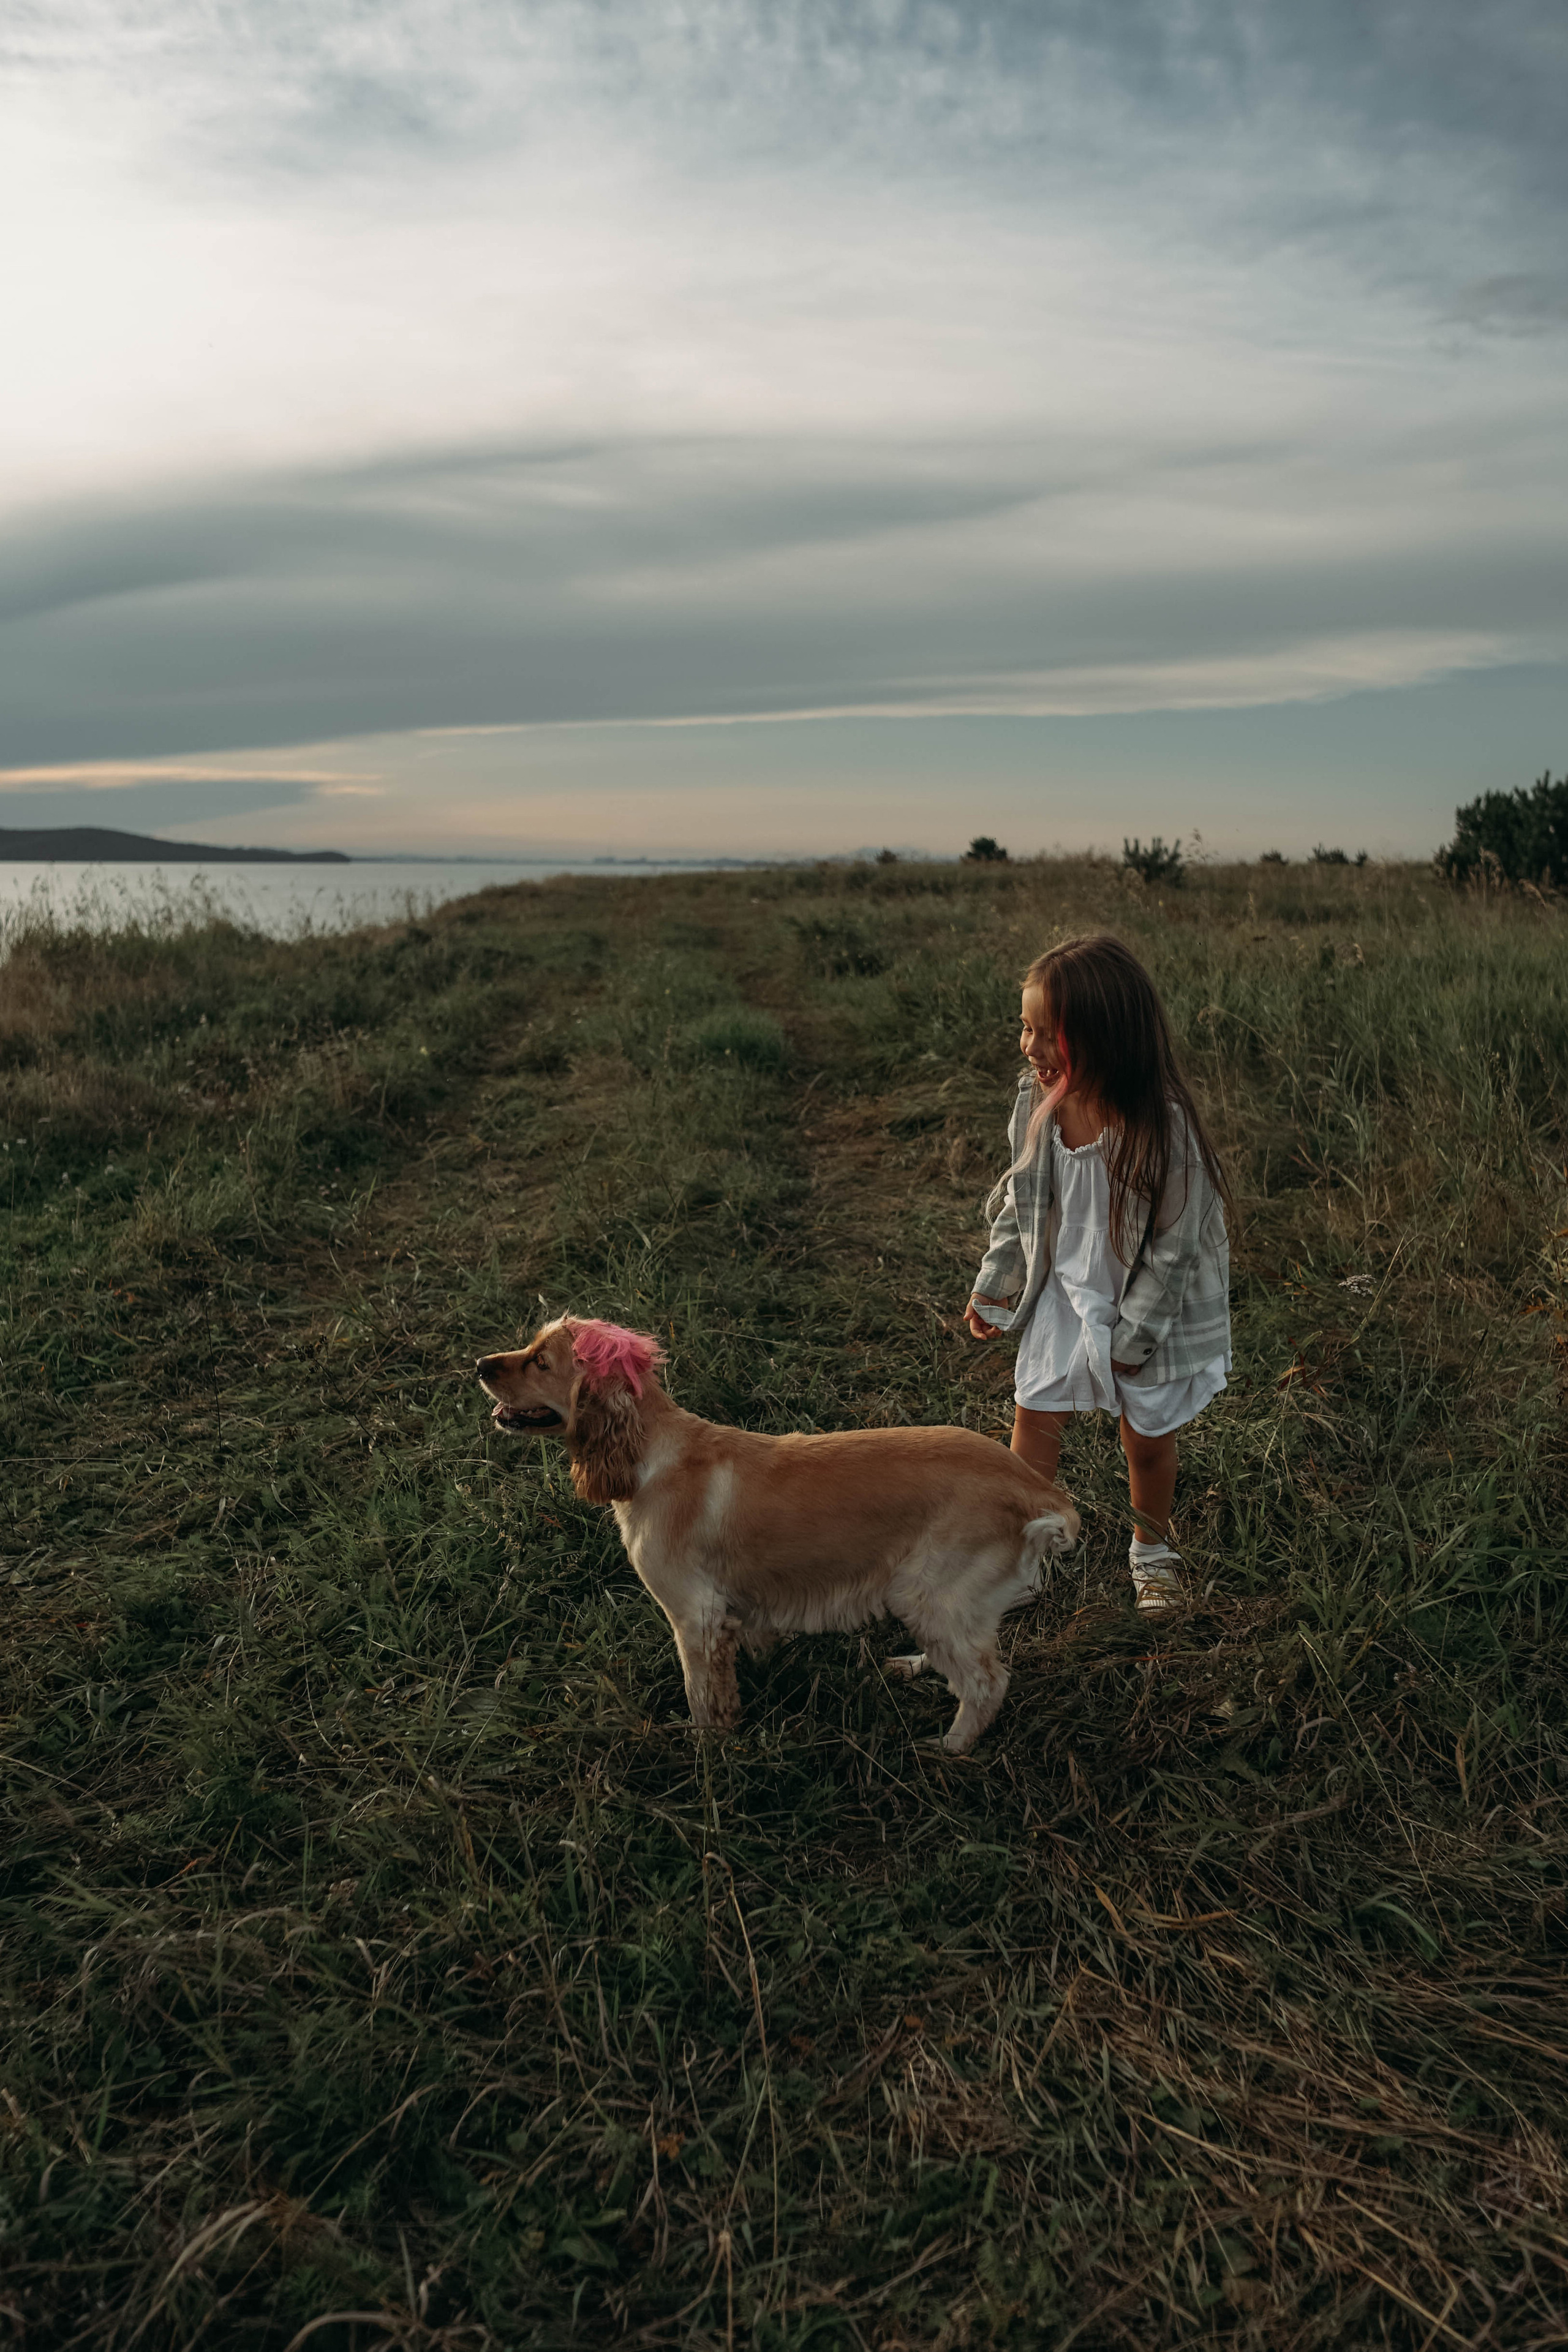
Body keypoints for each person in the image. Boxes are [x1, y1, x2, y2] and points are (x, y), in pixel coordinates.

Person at [965, 933, 1232, 1612]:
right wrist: (997, 1282)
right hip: (1066, 1286)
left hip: (1151, 1304)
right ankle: (1019, 1559)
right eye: (1024, 1029)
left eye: (1049, 1035)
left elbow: (1173, 1251)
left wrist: (1131, 1341)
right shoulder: (1036, 1102)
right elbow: (1019, 1203)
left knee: (1145, 1439)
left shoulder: (1164, 1128)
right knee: (1034, 1422)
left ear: (1107, 1037)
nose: (1030, 1048)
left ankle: (1152, 1549)